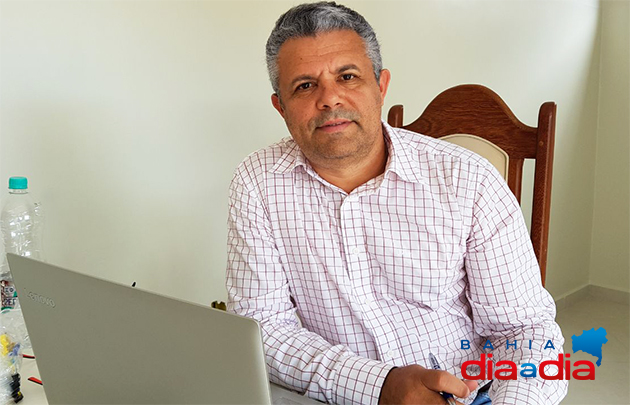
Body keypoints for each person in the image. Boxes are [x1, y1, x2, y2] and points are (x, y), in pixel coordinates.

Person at [226, 2, 568, 404]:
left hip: (466, 394)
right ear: (280, 106)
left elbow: (527, 332)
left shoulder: (468, 179)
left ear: (381, 85)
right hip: (336, 396)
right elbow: (263, 327)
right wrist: (380, 385)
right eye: (305, 86)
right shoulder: (256, 183)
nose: (329, 98)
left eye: (347, 76)